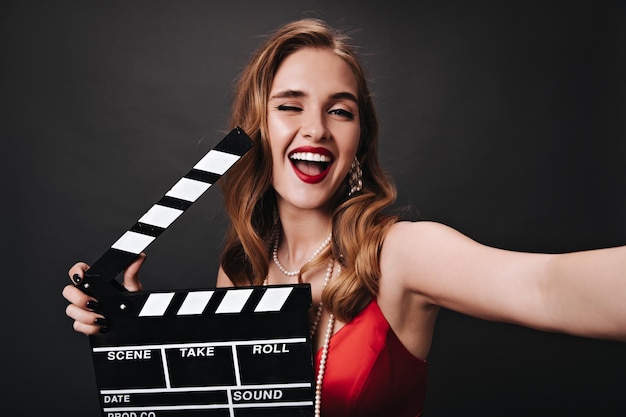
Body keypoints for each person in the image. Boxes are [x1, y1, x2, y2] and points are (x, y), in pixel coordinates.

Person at [62, 18, 626, 417]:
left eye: (341, 110)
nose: (316, 129)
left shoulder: (401, 254)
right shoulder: (240, 271)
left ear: (359, 142)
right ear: (254, 134)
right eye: (290, 105)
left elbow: (546, 286)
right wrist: (131, 332)